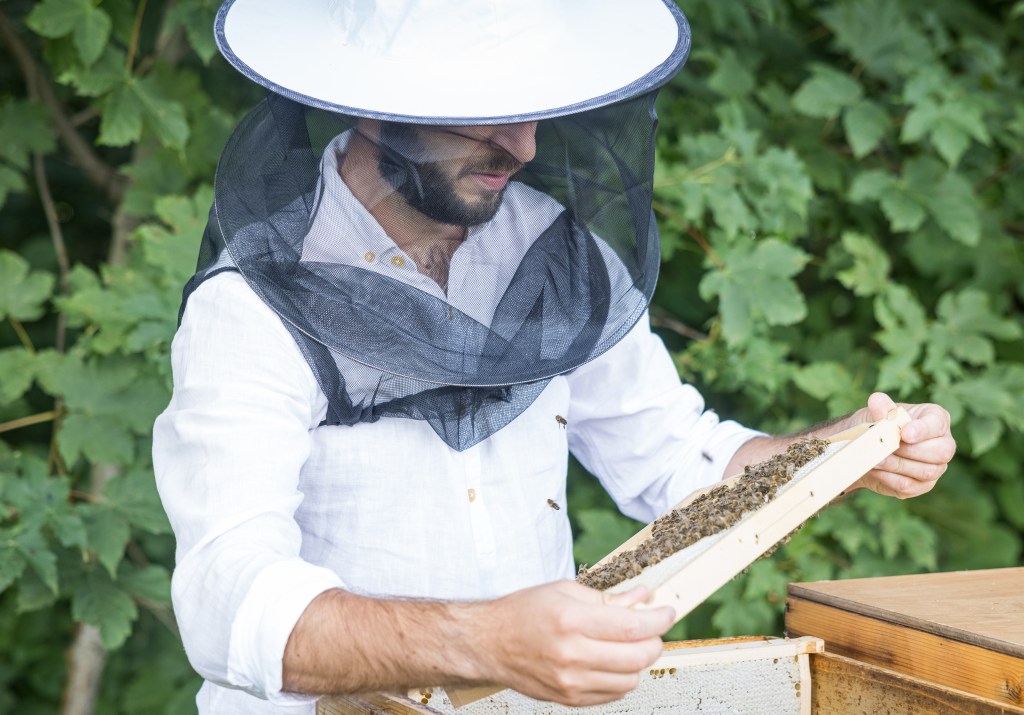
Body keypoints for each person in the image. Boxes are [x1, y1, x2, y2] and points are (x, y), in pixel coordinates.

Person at [153, 1, 956, 713]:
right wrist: (484, 640)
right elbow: (230, 603)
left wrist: (836, 454)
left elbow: (674, 456)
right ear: (375, 105)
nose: (524, 145)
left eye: (534, 109)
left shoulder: (554, 257)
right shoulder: (252, 304)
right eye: (485, 114)